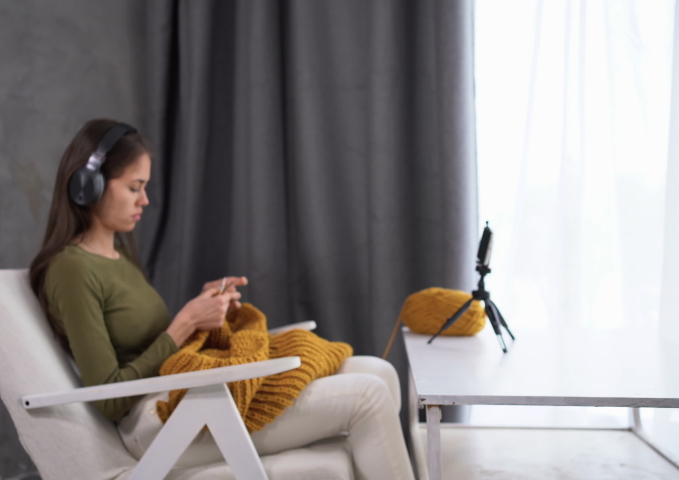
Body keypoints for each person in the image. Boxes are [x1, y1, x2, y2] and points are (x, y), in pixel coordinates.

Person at [29, 119, 415, 479]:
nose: (145, 200)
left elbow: (148, 343)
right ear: (88, 185)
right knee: (368, 395)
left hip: (182, 396)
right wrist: (184, 324)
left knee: (379, 371)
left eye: (145, 187)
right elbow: (109, 397)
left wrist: (201, 309)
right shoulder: (72, 269)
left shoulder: (116, 255)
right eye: (134, 187)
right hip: (161, 420)